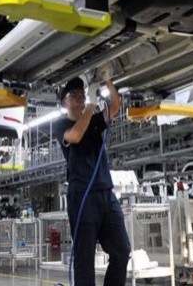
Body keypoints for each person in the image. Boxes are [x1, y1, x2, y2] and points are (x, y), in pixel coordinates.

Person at [52, 68, 130, 286]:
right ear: (64, 102)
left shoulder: (94, 120)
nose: (80, 98)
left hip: (106, 194)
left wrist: (107, 80)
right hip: (82, 197)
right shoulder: (61, 125)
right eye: (74, 95)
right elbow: (75, 135)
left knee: (122, 250)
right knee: (84, 259)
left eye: (82, 94)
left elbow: (115, 106)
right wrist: (91, 106)